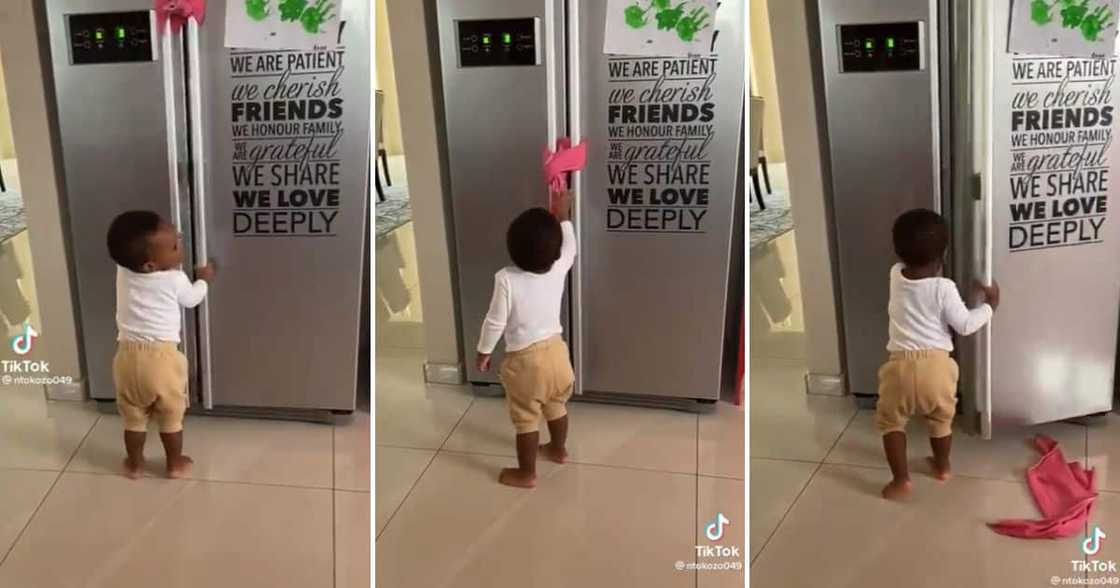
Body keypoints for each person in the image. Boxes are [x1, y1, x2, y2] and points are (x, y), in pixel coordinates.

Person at [878, 208, 999, 499]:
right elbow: (965, 325)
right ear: (943, 256)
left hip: (899, 368)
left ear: (898, 252)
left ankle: (901, 481)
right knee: (940, 421)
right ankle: (942, 467)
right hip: (938, 369)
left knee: (891, 423)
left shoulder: (895, 275)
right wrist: (990, 306)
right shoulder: (944, 288)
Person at [476, 190, 576, 489]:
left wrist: (484, 351)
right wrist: (562, 214)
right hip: (558, 355)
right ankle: (558, 449)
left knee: (526, 419)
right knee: (557, 405)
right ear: (555, 252)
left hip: (525, 363)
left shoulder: (506, 278)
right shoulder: (559, 267)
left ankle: (526, 473)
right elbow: (570, 247)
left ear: (513, 250)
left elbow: (495, 321)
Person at [106, 211, 215, 479]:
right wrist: (204, 279)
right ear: (149, 265)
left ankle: (135, 464)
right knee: (170, 417)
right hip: (163, 361)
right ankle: (174, 464)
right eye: (175, 245)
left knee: (133, 418)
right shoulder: (174, 279)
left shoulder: (123, 271)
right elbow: (191, 299)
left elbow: (126, 250)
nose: (180, 242)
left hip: (126, 359)